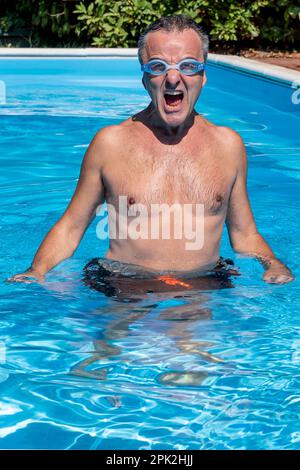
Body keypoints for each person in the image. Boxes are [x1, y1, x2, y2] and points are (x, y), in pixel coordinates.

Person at [8, 15, 294, 286]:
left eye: (188, 66)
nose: (173, 78)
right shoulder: (110, 144)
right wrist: (36, 271)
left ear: (203, 76)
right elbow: (71, 227)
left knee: (203, 339)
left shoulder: (227, 145)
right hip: (123, 284)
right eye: (158, 67)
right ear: (144, 78)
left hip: (203, 286)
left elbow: (245, 235)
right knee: (109, 339)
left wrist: (272, 263)